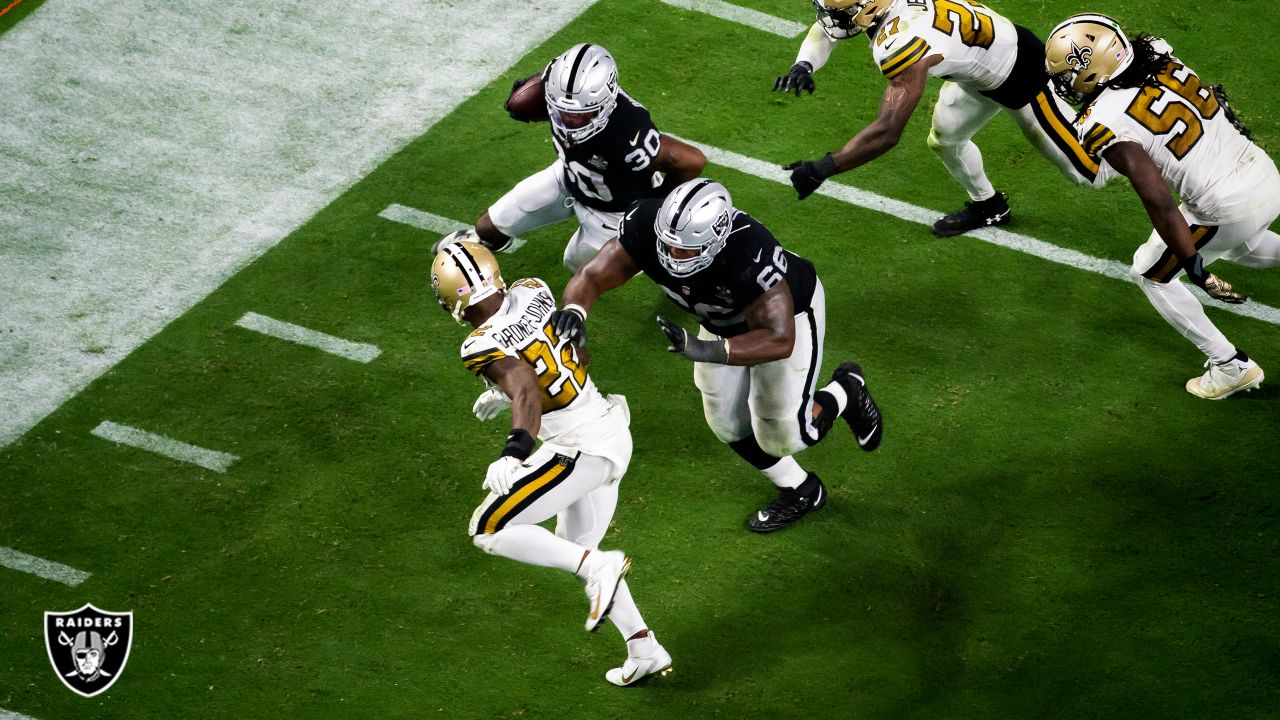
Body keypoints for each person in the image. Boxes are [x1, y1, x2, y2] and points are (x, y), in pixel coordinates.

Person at [551, 179, 884, 533]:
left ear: (716, 240)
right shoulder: (647, 225)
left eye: (685, 250)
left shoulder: (750, 256)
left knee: (789, 434)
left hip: (789, 319)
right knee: (726, 422)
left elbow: (778, 339)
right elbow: (591, 275)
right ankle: (802, 490)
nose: (671, 255)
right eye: (667, 244)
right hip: (722, 321)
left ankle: (846, 389)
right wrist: (574, 310)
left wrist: (706, 349)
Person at [431, 240, 672, 685]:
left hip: (579, 448)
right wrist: (500, 394)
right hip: (608, 425)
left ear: (452, 298)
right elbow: (571, 356)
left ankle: (599, 568)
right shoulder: (533, 289)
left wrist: (514, 450)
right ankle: (644, 647)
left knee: (489, 528)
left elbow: (524, 386)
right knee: (572, 545)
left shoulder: (477, 343)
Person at [1046, 14, 1275, 399]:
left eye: (1068, 76)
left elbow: (1158, 200)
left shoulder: (1102, 121)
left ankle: (1230, 366)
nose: (1066, 86)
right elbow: (1217, 100)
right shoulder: (1158, 54)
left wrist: (1195, 269)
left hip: (1226, 204)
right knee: (1242, 245)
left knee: (1151, 273)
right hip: (1264, 174)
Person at [776, 0, 1110, 235]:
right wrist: (803, 64)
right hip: (976, 69)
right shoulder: (884, 8)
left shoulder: (898, 44)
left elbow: (887, 132)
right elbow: (828, 31)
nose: (830, 19)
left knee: (1091, 173)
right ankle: (989, 206)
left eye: (839, 13)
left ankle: (1140, 130)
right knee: (946, 139)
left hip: (1019, 72)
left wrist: (824, 168)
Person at [435, 43, 706, 272]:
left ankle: (641, 252)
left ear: (606, 101)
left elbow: (692, 160)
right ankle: (485, 245)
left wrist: (658, 206)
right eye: (562, 109)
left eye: (581, 113)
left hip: (615, 212)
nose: (569, 118)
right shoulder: (557, 85)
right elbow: (551, 82)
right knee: (489, 225)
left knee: (576, 265)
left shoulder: (627, 131)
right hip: (568, 177)